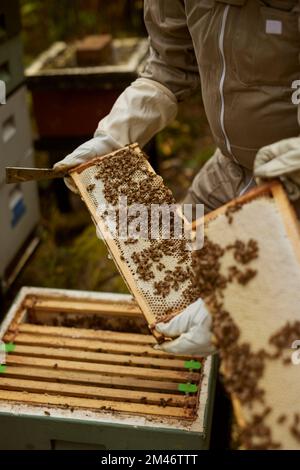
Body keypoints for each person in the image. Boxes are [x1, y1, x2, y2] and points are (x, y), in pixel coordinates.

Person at [54, 1, 300, 356]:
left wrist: (247, 304)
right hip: (230, 170)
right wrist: (115, 134)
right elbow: (170, 65)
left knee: (278, 352)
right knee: (173, 278)